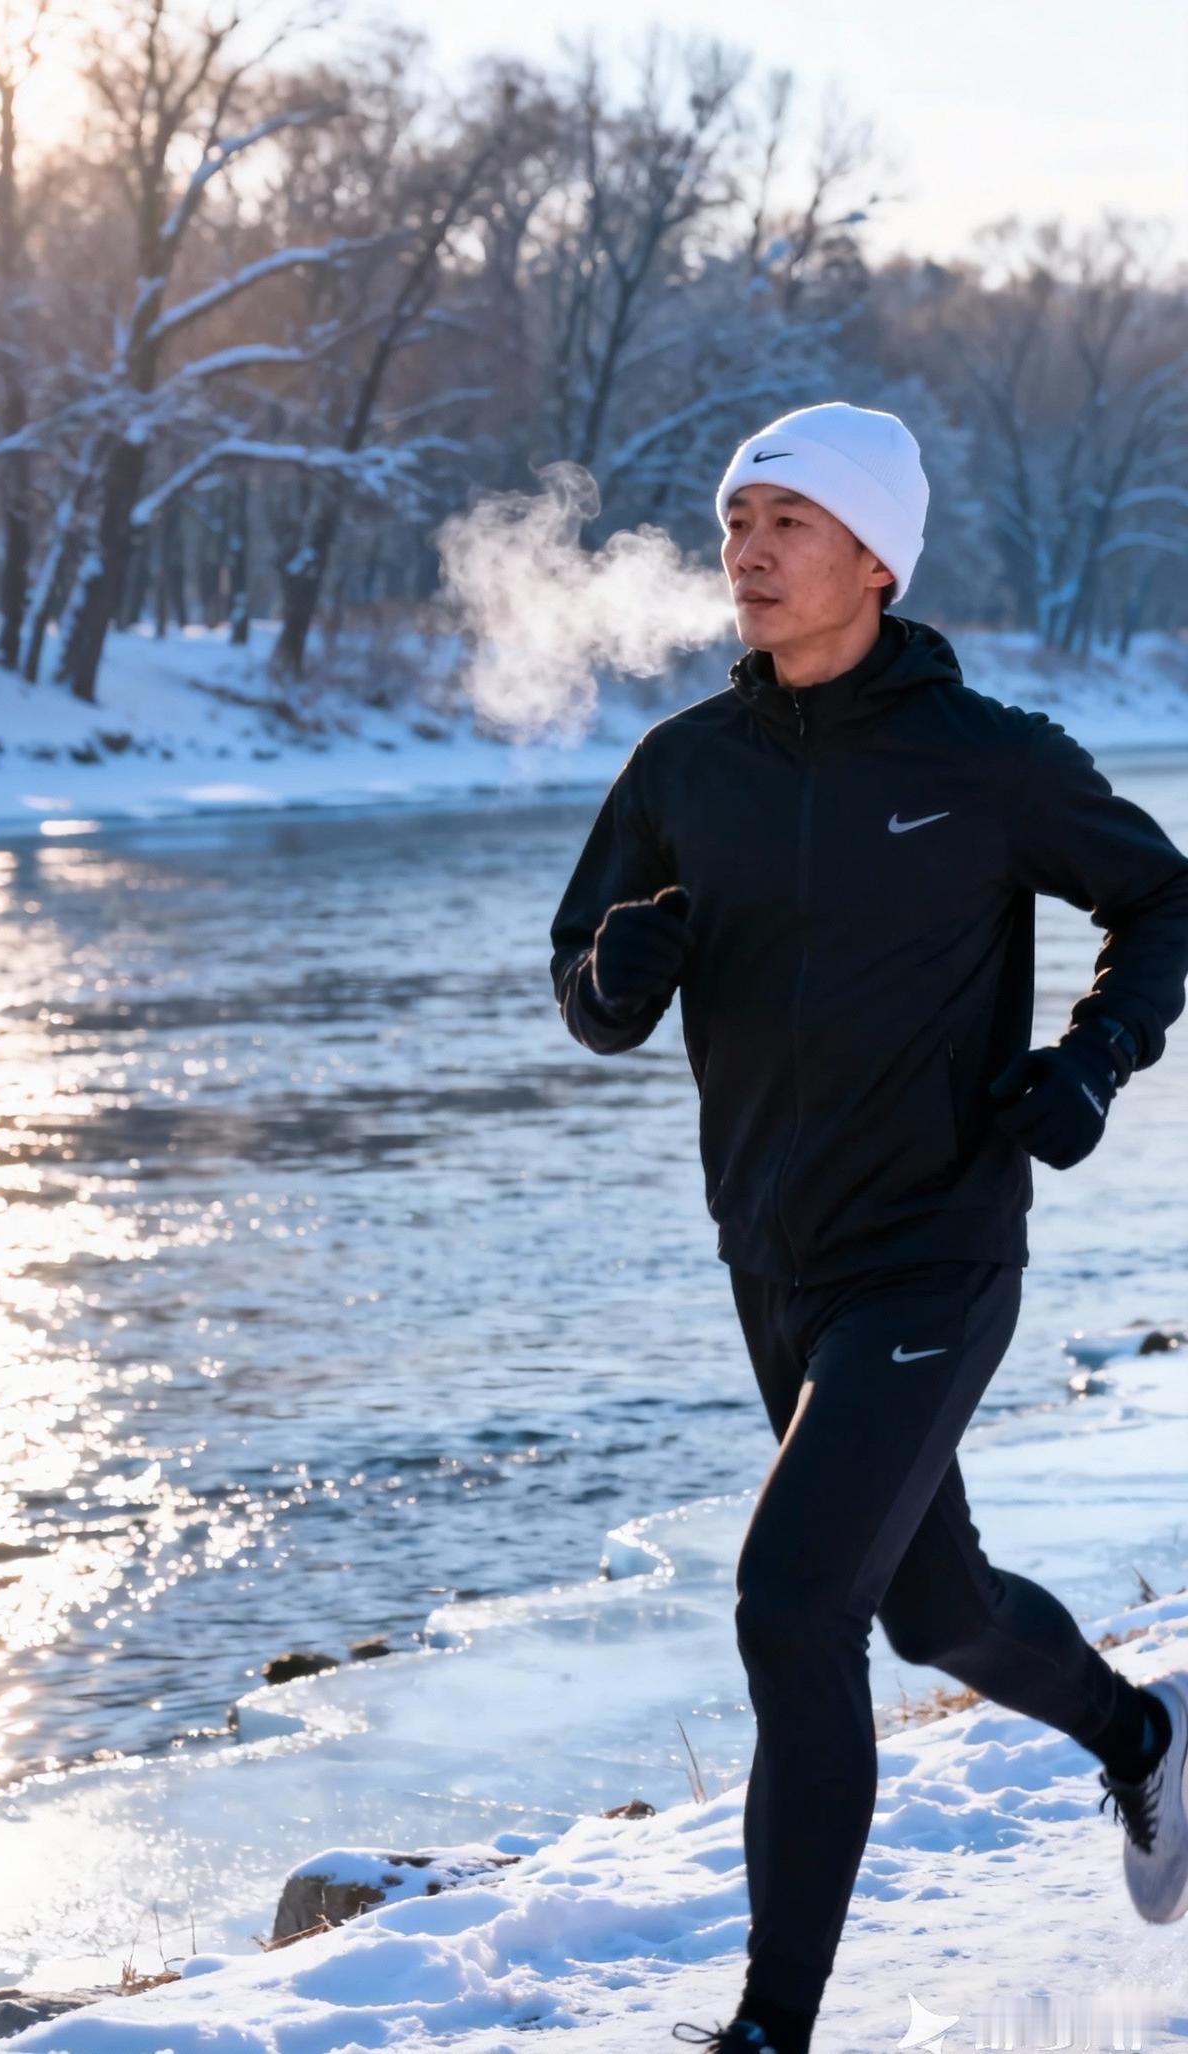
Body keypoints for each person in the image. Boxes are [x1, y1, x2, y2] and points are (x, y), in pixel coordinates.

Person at [547, 399, 1188, 2054]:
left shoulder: (981, 758)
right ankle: (1143, 1740)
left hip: (937, 1246)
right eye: (735, 523)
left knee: (790, 1602)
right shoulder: (684, 766)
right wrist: (613, 981)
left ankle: (771, 2030)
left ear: (876, 559)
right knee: (931, 1607)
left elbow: (1165, 896)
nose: (749, 553)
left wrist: (1095, 1060)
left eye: (789, 524)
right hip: (774, 1259)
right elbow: (586, 981)